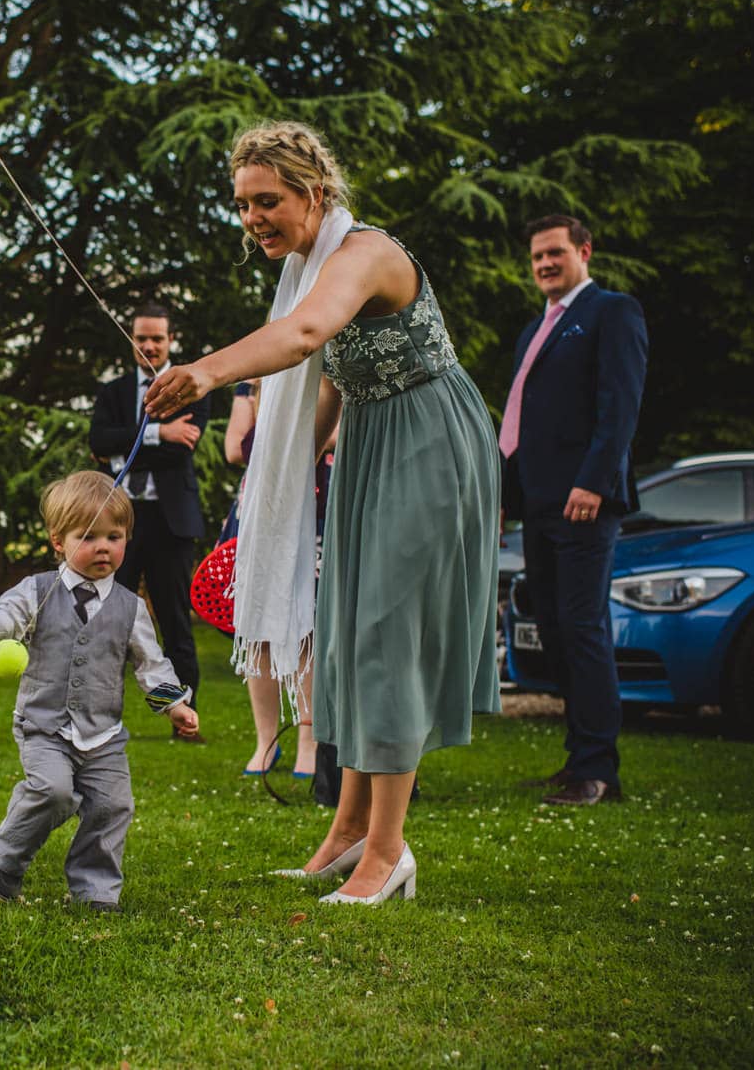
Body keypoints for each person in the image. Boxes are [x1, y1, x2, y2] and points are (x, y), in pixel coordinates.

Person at [145, 121, 500, 905]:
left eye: (267, 201)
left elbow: (305, 339)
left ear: (317, 191)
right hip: (372, 442)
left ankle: (387, 852)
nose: (253, 220)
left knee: (385, 634)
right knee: (344, 629)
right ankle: (344, 832)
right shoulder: (308, 267)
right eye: (241, 206)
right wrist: (281, 478)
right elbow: (334, 380)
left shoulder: (366, 252)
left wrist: (203, 370)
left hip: (430, 439)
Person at [0, 470, 198, 912]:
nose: (103, 546)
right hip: (44, 727)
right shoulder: (36, 593)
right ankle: (6, 857)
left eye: (114, 536)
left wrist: (173, 706)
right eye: (88, 536)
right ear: (58, 541)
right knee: (54, 792)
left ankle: (95, 890)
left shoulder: (130, 606)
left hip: (103, 735)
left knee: (111, 807)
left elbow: (150, 664)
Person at [500, 215, 648, 806]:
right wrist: (511, 501)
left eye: (556, 253)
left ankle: (599, 772)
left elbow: (621, 407)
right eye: (537, 256)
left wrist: (593, 482)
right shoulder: (534, 329)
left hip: (585, 502)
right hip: (538, 505)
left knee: (584, 630)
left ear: (584, 251)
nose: (544, 265)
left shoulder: (613, 312)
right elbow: (524, 420)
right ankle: (579, 757)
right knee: (558, 632)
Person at [89, 303, 209, 741]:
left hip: (171, 522)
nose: (149, 346)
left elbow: (184, 448)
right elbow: (96, 440)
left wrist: (123, 446)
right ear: (132, 339)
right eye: (141, 338)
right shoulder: (114, 391)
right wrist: (159, 432)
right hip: (120, 521)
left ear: (170, 340)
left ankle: (184, 719)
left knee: (175, 624)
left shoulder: (192, 385)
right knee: (109, 621)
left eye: (157, 338)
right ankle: (100, 719)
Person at [224, 379, 320, 780]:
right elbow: (235, 447)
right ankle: (266, 740)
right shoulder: (251, 386)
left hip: (317, 498)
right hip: (261, 506)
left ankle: (309, 740)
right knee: (256, 626)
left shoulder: (330, 372)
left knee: (307, 629)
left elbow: (329, 438)